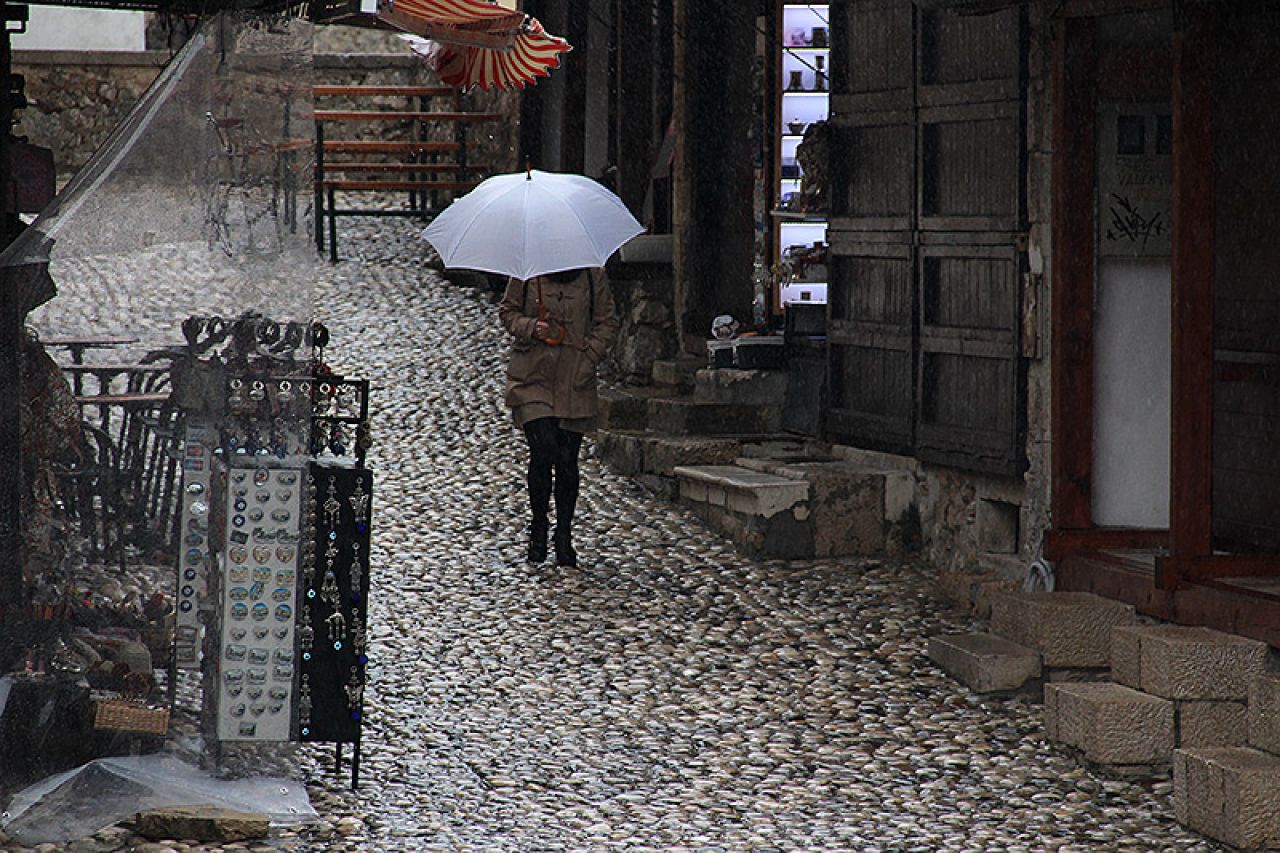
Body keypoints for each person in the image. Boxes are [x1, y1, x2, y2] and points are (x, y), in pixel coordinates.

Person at [498, 267, 618, 567]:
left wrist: (590, 355)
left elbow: (607, 322)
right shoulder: (528, 273)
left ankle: (563, 533)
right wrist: (530, 326)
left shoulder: (592, 275)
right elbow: (508, 313)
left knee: (567, 459)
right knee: (543, 450)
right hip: (533, 377)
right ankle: (538, 525)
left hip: (574, 379)